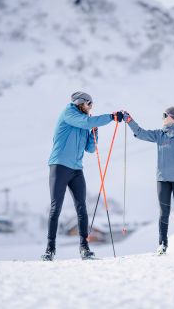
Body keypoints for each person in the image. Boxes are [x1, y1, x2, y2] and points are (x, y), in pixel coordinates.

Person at [42, 91, 123, 261]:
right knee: (56, 207)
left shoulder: (85, 122)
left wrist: (95, 133)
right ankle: (50, 249)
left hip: (76, 169)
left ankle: (84, 248)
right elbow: (86, 122)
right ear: (81, 103)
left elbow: (90, 149)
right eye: (90, 104)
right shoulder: (69, 113)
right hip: (59, 166)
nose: (91, 107)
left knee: (82, 208)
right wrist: (111, 117)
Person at [123, 108, 174, 255]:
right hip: (162, 179)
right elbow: (141, 133)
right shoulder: (159, 134)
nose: (162, 117)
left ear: (173, 118)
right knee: (164, 213)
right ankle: (162, 244)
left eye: (164, 115)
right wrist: (129, 120)